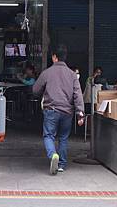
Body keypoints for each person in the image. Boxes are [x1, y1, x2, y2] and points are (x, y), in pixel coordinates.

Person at [33, 45, 85, 175]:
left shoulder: (47, 73)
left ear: (54, 57)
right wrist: (80, 113)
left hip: (51, 110)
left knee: (49, 135)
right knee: (63, 137)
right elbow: (77, 94)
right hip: (67, 112)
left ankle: (53, 155)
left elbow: (35, 90)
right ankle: (61, 164)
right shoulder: (72, 75)